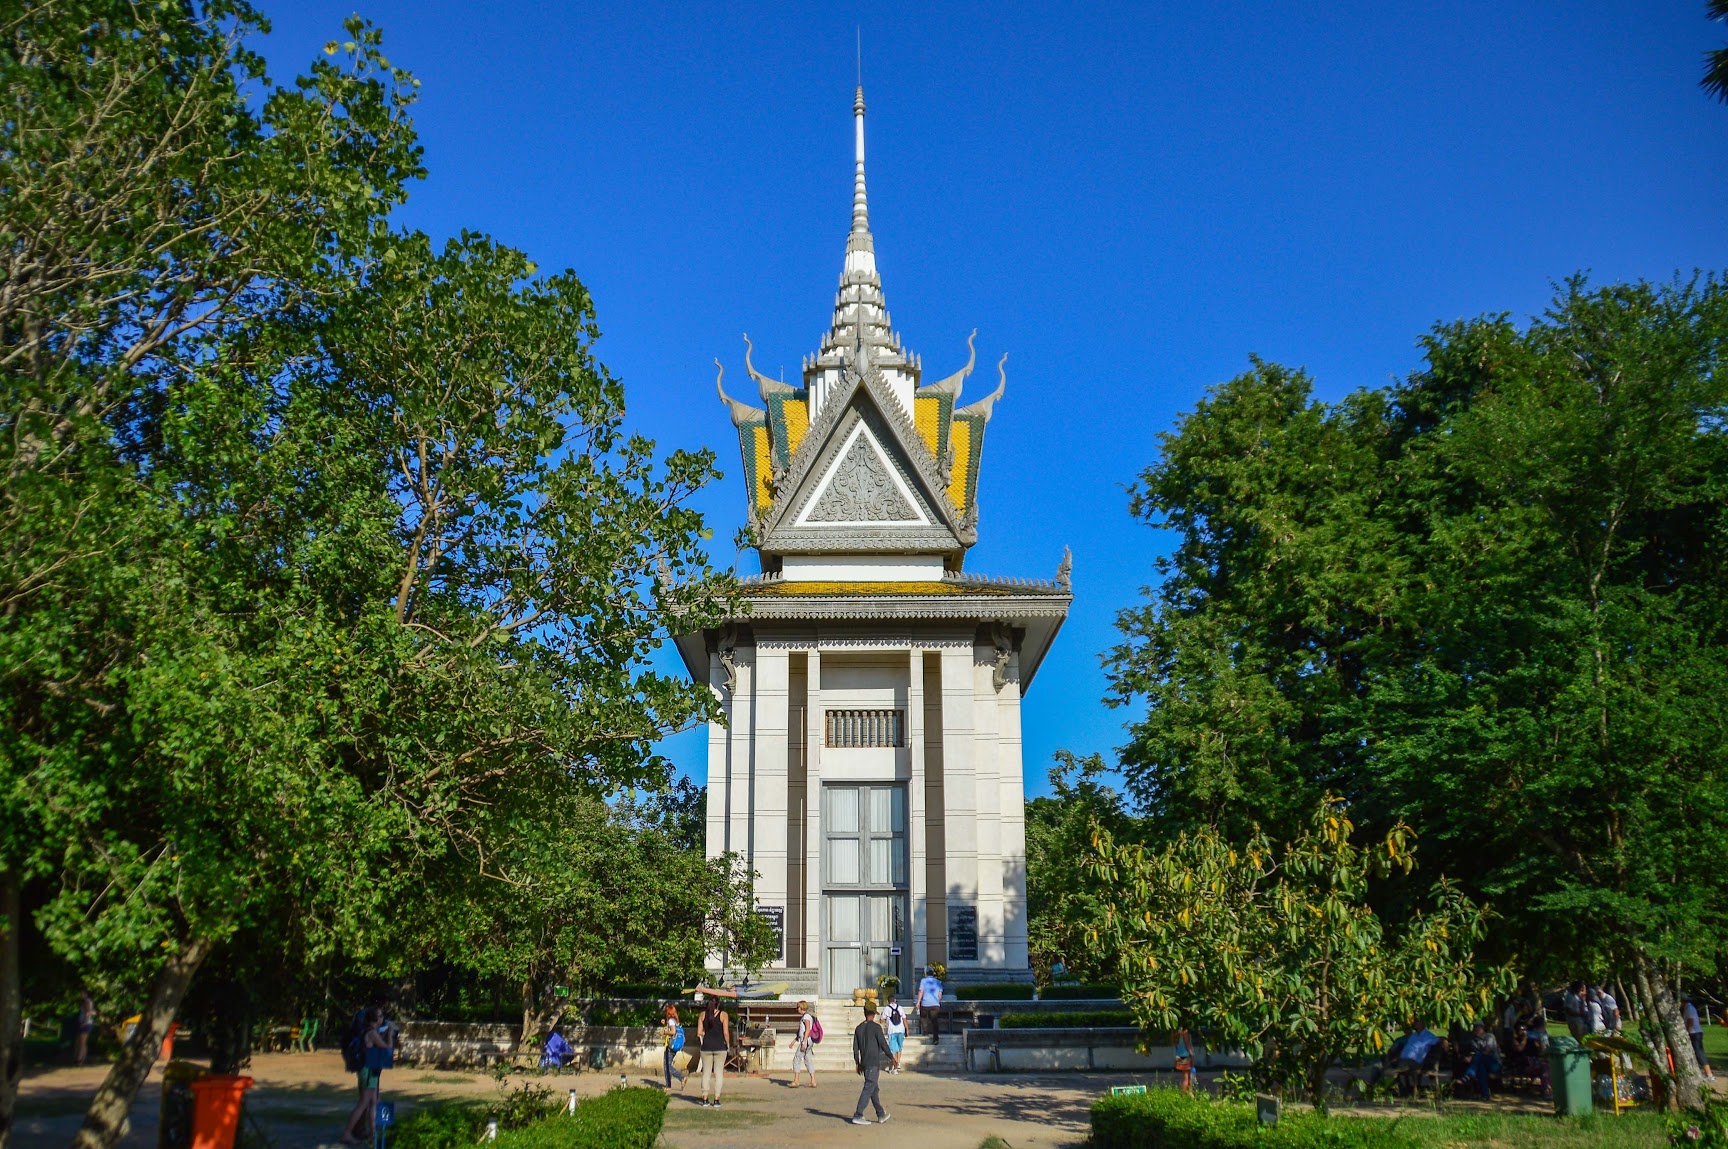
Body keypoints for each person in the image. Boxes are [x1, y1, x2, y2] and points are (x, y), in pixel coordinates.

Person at [341, 1007, 391, 1144]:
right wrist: (390, 1035)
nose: (382, 1018)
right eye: (380, 1016)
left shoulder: (367, 1031)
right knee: (364, 1103)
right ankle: (347, 1132)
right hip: (368, 1071)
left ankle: (373, 1133)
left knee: (374, 1101)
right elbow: (386, 1048)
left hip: (368, 1070)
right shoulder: (372, 1033)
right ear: (374, 1019)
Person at [850, 1001, 892, 1126]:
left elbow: (855, 1048)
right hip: (873, 1061)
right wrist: (891, 1057)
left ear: (864, 1013)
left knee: (873, 1088)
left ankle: (880, 1113)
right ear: (874, 1014)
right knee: (869, 1087)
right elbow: (883, 1044)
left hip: (864, 1061)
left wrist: (858, 1063)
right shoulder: (876, 1027)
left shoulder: (858, 1028)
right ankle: (858, 1114)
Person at [696, 996, 730, 1108]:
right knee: (718, 1073)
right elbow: (725, 1033)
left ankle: (705, 1098)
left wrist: (707, 1034)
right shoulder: (723, 1015)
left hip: (706, 1047)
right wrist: (728, 1044)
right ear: (718, 1004)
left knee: (706, 1073)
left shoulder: (702, 1015)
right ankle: (716, 1099)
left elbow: (699, 1032)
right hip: (720, 1046)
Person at [1393, 1022, 1441, 1097]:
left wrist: (1444, 1041)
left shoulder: (1428, 1036)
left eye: (1416, 1023)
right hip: (1404, 1060)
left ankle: (1405, 1088)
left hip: (1415, 1061)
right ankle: (1403, 1089)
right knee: (1394, 1066)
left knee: (1399, 1070)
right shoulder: (1413, 1035)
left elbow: (1440, 1041)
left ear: (1422, 1024)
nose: (1414, 1024)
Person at [1458, 1021, 1503, 1101]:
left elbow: (1487, 1051)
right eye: (1475, 1028)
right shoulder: (1473, 1040)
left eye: (1478, 1028)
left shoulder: (1489, 1036)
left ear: (1482, 1028)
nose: (1476, 1030)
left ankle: (1468, 1075)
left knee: (1480, 1056)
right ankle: (1485, 1095)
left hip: (1494, 1064)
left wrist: (1472, 1057)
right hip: (1481, 1063)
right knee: (1481, 1070)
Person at [1507, 1025, 1550, 1095]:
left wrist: (1540, 1040)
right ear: (1518, 1031)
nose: (1523, 1031)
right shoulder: (1515, 1040)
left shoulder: (1532, 1040)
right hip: (1523, 1066)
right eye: (1521, 1029)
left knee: (1546, 1067)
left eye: (1525, 1029)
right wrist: (1525, 1039)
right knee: (1544, 1068)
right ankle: (1547, 1090)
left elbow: (1542, 1051)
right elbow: (1519, 1048)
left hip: (1534, 1064)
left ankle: (1548, 1090)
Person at [1684, 998, 1716, 1082]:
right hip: (1695, 1032)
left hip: (1694, 1033)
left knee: (1699, 1052)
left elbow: (1690, 1020)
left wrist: (1686, 1031)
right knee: (1694, 1052)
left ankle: (1709, 1074)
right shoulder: (1689, 1008)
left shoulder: (1689, 1008)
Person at [788, 1000, 818, 1088]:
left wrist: (804, 1042)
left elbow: (807, 1030)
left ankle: (796, 1080)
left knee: (797, 1059)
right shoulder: (806, 1017)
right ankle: (813, 1081)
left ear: (801, 1007)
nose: (797, 1009)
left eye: (798, 1007)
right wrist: (794, 1041)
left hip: (806, 1041)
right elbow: (800, 1032)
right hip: (807, 1041)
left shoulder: (806, 1017)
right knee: (808, 1059)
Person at [660, 1005, 687, 1090]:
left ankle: (679, 1079)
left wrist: (664, 1032)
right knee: (668, 1065)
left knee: (667, 1066)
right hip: (674, 1046)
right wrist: (665, 1024)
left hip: (670, 1045)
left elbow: (673, 1031)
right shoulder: (676, 1021)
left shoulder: (671, 1021)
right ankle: (672, 1083)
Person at [915, 966, 944, 1043]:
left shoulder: (923, 981)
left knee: (923, 1016)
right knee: (935, 1021)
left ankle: (925, 1030)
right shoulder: (938, 982)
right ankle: (936, 1038)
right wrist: (938, 1001)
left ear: (926, 974)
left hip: (925, 1003)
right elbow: (940, 994)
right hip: (935, 1004)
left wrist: (918, 1001)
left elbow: (921, 991)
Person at [882, 995, 907, 1074]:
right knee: (899, 1048)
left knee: (893, 1050)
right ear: (895, 1000)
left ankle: (894, 1066)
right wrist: (907, 1029)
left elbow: (882, 1019)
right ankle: (898, 1062)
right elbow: (904, 1019)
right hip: (901, 1030)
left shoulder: (887, 1008)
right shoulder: (900, 1007)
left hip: (892, 1030)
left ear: (888, 1001)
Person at [1173, 1025, 1197, 1092]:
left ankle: (1188, 1093)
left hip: (1179, 1054)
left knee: (1185, 1076)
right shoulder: (1185, 1031)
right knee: (1186, 1077)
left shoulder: (1176, 1031)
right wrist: (1192, 1054)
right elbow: (1187, 1043)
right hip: (1185, 1055)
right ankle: (1185, 1094)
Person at [74, 992, 94, 1066]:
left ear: (86, 994)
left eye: (82, 994)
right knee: (82, 1042)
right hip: (85, 1023)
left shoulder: (87, 1001)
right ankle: (81, 1058)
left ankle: (79, 1059)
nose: (81, 995)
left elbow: (88, 1012)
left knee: (82, 1042)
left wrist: (85, 1022)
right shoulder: (87, 1001)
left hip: (86, 1023)